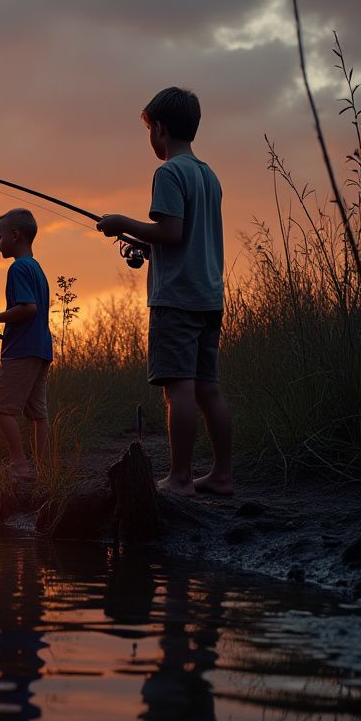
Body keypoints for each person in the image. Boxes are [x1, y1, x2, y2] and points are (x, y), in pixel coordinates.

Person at [96, 86, 233, 496]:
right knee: (208, 388)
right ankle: (223, 476)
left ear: (159, 128)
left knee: (180, 388)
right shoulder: (209, 176)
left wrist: (122, 224)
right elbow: (182, 238)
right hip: (209, 296)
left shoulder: (169, 173)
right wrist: (149, 244)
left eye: (149, 130)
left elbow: (171, 233)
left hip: (176, 299)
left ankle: (180, 478)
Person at [0, 208, 53, 483]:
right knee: (37, 413)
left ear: (15, 235)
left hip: (23, 350)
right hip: (42, 348)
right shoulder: (36, 268)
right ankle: (45, 472)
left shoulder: (18, 268)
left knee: (0, 405)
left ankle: (19, 466)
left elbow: (28, 308)